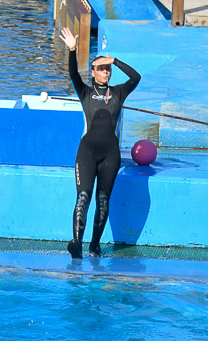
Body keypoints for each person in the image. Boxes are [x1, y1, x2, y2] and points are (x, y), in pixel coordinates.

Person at [59, 26, 140, 259]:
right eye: (102, 68)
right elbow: (73, 73)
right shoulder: (84, 92)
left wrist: (114, 60)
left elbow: (136, 77)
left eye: (108, 69)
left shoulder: (118, 93)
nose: (106, 72)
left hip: (110, 156)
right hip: (87, 152)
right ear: (93, 72)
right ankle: (76, 244)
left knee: (103, 202)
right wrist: (72, 51)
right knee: (83, 197)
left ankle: (94, 245)